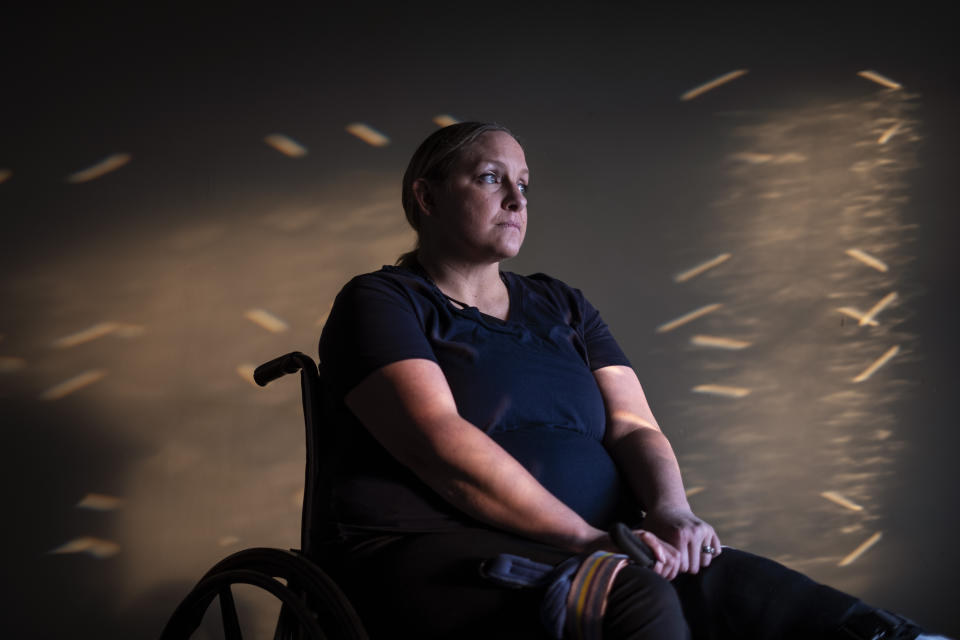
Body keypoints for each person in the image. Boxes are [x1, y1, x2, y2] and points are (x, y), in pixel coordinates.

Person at [318, 122, 946, 639]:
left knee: (763, 594)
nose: (517, 200)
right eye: (490, 178)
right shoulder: (381, 301)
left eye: (525, 185)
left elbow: (633, 422)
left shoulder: (561, 304)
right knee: (635, 600)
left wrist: (672, 513)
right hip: (441, 549)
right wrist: (591, 541)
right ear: (426, 198)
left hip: (608, 542)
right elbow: (437, 441)